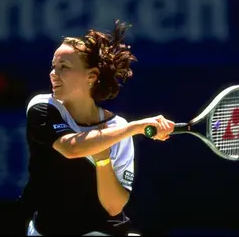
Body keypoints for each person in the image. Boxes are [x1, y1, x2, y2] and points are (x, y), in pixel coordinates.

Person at [19, 20, 174, 236]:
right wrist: (134, 128)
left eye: (64, 67)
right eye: (54, 66)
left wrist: (103, 160)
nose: (53, 74)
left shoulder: (117, 127)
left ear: (91, 76)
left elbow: (113, 206)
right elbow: (71, 148)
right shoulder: (42, 107)